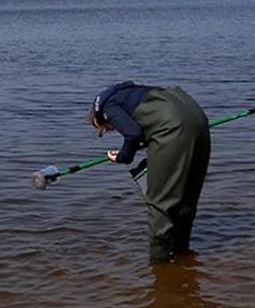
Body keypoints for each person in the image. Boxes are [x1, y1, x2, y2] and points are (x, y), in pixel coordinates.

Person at [88, 81, 211, 261]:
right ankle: (182, 257)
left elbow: (132, 133)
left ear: (97, 118)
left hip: (172, 126)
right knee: (187, 199)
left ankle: (159, 266)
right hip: (196, 117)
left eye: (107, 128)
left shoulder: (106, 107)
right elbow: (147, 124)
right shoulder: (129, 92)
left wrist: (122, 157)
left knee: (160, 204)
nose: (111, 129)